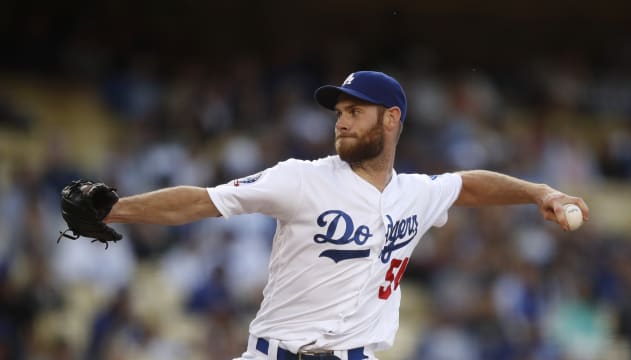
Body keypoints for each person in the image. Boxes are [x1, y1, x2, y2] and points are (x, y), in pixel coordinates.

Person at [104, 71, 589, 360]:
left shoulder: (415, 193)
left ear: (391, 118)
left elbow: (468, 185)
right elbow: (201, 201)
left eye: (356, 111)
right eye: (339, 111)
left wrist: (538, 191)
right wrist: (116, 210)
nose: (341, 119)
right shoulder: (301, 178)